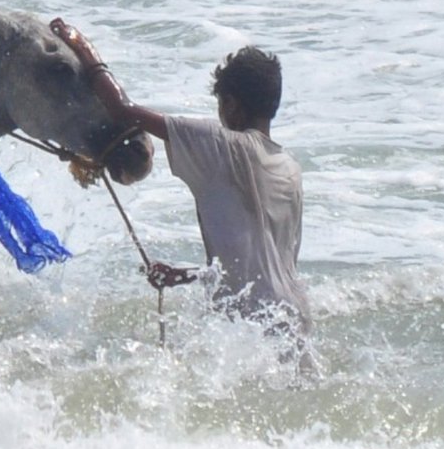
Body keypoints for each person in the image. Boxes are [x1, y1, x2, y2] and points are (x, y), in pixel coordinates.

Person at [57, 22, 312, 338]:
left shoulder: (224, 146)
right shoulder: (290, 167)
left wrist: (82, 48)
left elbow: (123, 110)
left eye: (221, 104)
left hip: (254, 323)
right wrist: (186, 276)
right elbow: (259, 263)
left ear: (231, 104)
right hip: (295, 317)